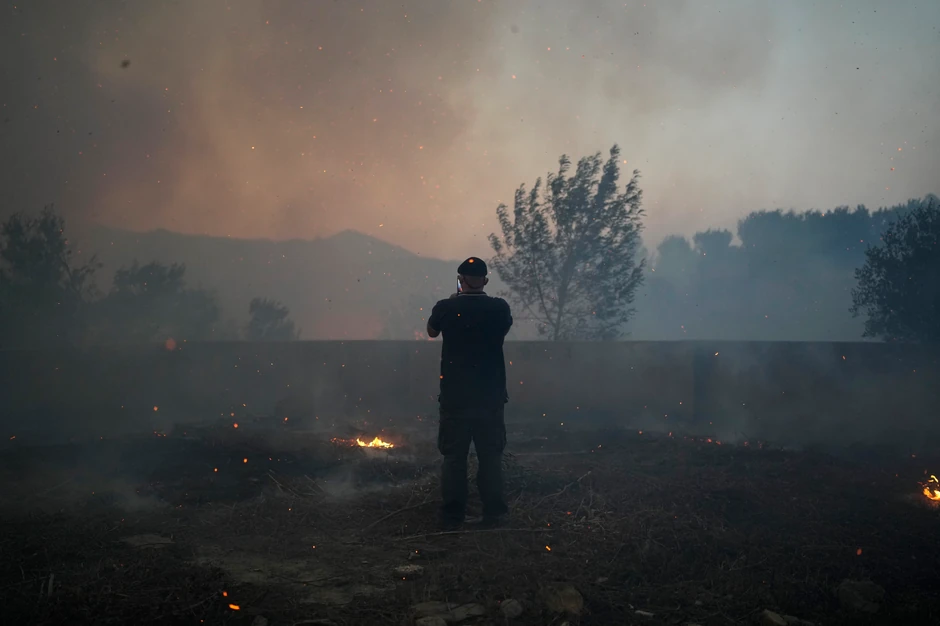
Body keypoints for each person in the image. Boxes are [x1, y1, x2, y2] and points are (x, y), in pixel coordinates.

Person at [426, 257, 513, 529]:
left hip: (456, 397)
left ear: (460, 280)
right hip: (490, 396)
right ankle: (494, 515)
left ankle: (452, 517)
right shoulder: (499, 308)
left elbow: (431, 332)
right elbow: (503, 329)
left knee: (454, 458)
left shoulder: (445, 307)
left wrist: (454, 303)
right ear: (485, 280)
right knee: (490, 457)